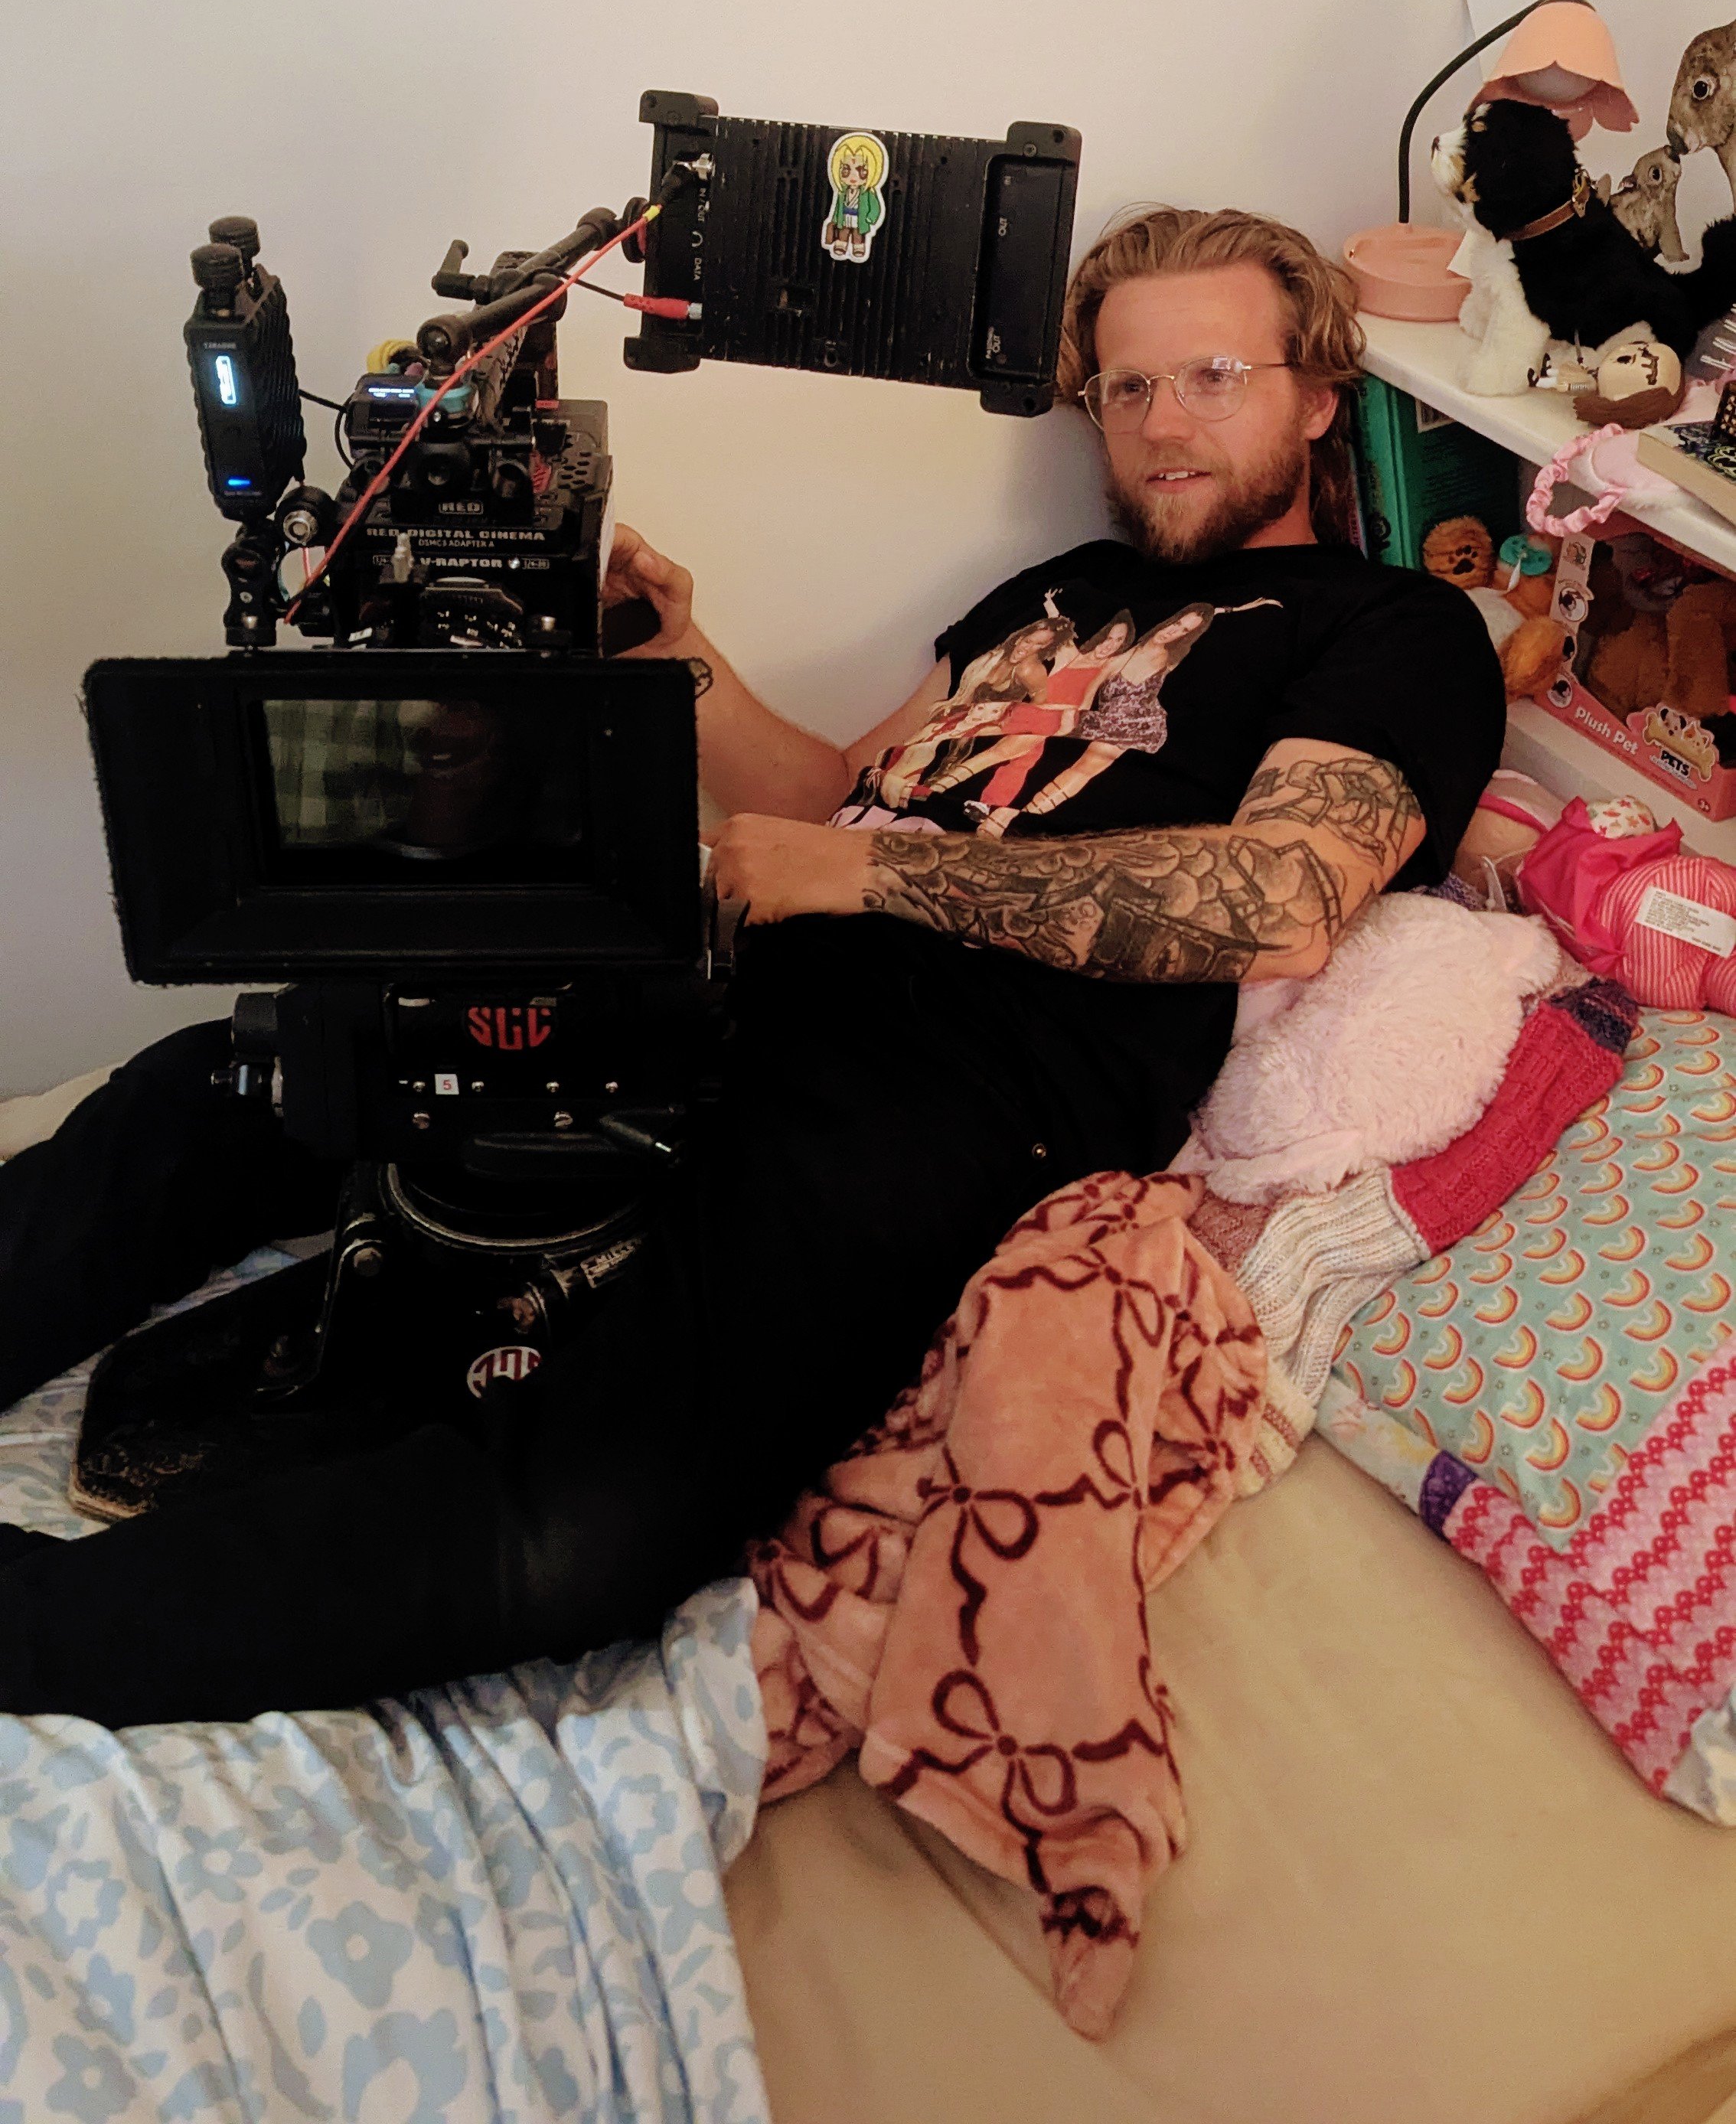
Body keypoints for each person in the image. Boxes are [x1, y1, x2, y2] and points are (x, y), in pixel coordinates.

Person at [0, 204, 1503, 1725]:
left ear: (1317, 399)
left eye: (1211, 379)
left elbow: (1282, 894)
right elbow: (829, 792)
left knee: (584, 1528)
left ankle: (34, 1629)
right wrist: (680, 658)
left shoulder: (1395, 629)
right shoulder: (1055, 592)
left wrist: (869, 871)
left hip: (947, 1079)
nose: (1161, 426)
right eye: (1126, 388)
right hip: (722, 982)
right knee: (249, 1077)